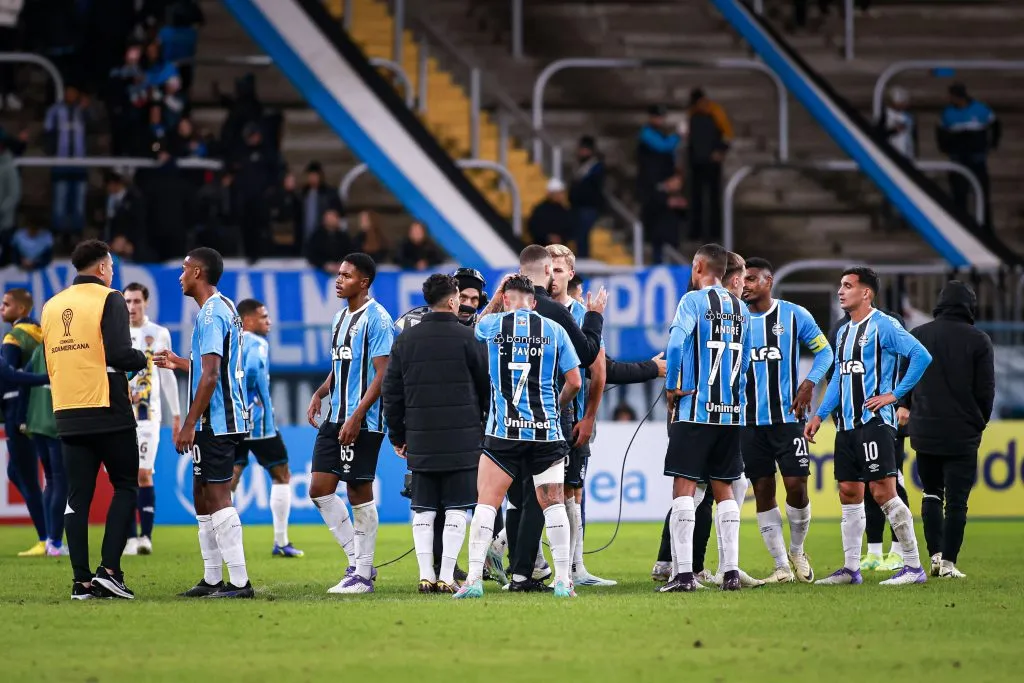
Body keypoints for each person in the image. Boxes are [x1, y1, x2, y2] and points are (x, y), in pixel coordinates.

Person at [478, 245, 605, 592]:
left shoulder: (495, 323)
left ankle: (503, 567)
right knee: (546, 499)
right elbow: (588, 359)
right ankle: (549, 573)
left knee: (511, 499)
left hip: (503, 425)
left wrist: (495, 299)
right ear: (548, 269)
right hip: (545, 423)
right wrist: (595, 316)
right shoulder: (554, 315)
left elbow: (476, 333)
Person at [453, 274, 583, 599]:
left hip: (503, 432)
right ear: (535, 303)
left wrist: (497, 296)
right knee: (552, 504)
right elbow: (576, 381)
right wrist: (555, 407)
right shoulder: (554, 330)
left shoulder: (494, 324)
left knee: (487, 503)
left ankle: (473, 580)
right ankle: (565, 580)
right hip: (546, 432)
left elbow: (476, 326)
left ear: (507, 299)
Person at [806, 267, 932, 586]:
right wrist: (821, 414)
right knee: (849, 492)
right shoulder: (845, 331)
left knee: (882, 491)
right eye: (840, 285)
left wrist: (895, 394)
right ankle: (851, 569)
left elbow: (920, 355)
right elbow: (838, 376)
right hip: (846, 426)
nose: (840, 291)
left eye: (847, 285)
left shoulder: (884, 325)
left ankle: (914, 567)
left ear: (866, 293)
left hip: (874, 423)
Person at [40, 240, 148, 599]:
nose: (113, 273)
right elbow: (118, 352)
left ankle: (81, 581)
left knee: (77, 497)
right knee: (125, 486)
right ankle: (110, 571)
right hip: (106, 406)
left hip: (67, 411)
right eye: (112, 267)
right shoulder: (110, 298)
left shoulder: (51, 306)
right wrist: (142, 358)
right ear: (102, 268)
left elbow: (51, 360)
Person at [154, 248, 254, 598]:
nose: (180, 276)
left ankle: (241, 584)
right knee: (200, 496)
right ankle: (213, 578)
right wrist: (180, 362)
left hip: (217, 420)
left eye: (184, 270)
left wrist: (189, 423)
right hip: (219, 416)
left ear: (198, 272)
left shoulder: (211, 314)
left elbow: (211, 376)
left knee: (217, 494)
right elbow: (211, 369)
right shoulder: (223, 307)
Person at [383, 274, 488, 593]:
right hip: (462, 437)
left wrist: (398, 434)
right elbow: (484, 387)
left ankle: (425, 574)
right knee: (457, 506)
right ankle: (446, 576)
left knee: (423, 507)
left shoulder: (405, 339)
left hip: (420, 437)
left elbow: (392, 390)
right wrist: (481, 425)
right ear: (453, 299)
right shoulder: (468, 338)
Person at [661, 243, 751, 593]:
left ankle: (684, 576)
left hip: (695, 411)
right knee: (724, 487)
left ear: (698, 266)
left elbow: (676, 343)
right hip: (729, 413)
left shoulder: (692, 302)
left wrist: (672, 386)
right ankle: (730, 573)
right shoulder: (740, 308)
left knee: (684, 487)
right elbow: (743, 363)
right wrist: (735, 397)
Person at [306, 253, 394, 594]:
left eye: (346, 275)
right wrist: (323, 388)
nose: (338, 280)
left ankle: (361, 574)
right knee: (318, 490)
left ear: (364, 282)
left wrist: (357, 415)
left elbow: (383, 374)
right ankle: (359, 563)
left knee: (358, 491)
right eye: (338, 274)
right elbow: (343, 363)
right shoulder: (340, 317)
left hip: (364, 420)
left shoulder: (378, 319)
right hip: (335, 416)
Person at [740, 257, 832, 583]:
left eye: (751, 279)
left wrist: (809, 382)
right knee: (763, 489)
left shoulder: (794, 315)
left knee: (796, 485)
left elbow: (825, 352)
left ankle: (796, 549)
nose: (745, 285)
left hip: (786, 418)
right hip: (746, 422)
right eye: (742, 279)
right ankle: (780, 564)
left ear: (769, 281)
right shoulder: (733, 320)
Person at [905, 281, 994, 579]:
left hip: (924, 428)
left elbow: (904, 379)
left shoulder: (919, 334)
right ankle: (949, 564)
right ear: (969, 306)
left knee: (931, 493)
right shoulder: (979, 340)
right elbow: (986, 391)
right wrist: (978, 422)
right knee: (957, 501)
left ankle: (935, 556)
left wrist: (910, 410)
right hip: (962, 432)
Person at [547, 243, 614, 587]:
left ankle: (576, 568)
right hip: (531, 417)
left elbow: (599, 372)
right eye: (549, 269)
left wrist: (588, 418)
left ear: (570, 274)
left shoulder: (580, 314)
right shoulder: (533, 309)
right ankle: (521, 559)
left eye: (559, 270)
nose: (553, 276)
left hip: (570, 417)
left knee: (573, 489)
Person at [231, 298, 304, 558]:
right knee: (282, 475)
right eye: (263, 317)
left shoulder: (232, 343)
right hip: (260, 423)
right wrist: (250, 399)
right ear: (248, 320)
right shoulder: (258, 343)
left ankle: (221, 541)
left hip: (234, 421)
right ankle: (281, 542)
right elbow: (251, 371)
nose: (269, 321)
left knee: (230, 478)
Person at [119, 283, 180, 557]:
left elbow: (167, 377)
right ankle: (130, 537)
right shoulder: (114, 332)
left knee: (144, 473)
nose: (131, 307)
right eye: (127, 302)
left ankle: (145, 537)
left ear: (146, 302)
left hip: (148, 416)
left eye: (136, 302)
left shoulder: (158, 334)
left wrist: (177, 415)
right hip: (118, 416)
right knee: (125, 476)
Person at [1, 288, 47, 556]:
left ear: (21, 309)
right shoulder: (41, 335)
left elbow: (9, 376)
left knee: (27, 478)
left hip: (17, 412)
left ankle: (47, 538)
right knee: (16, 473)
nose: (1, 308)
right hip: (38, 409)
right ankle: (50, 532)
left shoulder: (13, 337)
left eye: (6, 304)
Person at [937, 83, 999, 231]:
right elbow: (940, 132)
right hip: (957, 160)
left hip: (976, 159)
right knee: (959, 196)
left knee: (982, 196)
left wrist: (992, 144)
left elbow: (996, 125)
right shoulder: (947, 113)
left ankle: (985, 229)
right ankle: (962, 228)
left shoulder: (980, 109)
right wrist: (945, 148)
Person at [686, 88, 733, 242]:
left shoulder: (716, 112)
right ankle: (695, 232)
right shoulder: (692, 114)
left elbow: (728, 135)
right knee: (696, 198)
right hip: (696, 162)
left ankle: (715, 232)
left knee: (713, 199)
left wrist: (720, 151)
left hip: (712, 163)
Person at [569, 136, 605, 259]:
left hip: (588, 207)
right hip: (577, 207)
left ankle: (584, 260)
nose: (582, 152)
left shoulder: (595, 167)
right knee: (578, 236)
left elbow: (593, 188)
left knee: (583, 235)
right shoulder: (578, 166)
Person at [300, 161, 343, 245]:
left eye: (315, 175)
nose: (312, 178)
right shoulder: (303, 193)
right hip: (305, 236)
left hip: (323, 237)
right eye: (310, 175)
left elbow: (339, 212)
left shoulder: (330, 193)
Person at [305, 209, 353, 274]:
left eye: (335, 217)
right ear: (324, 220)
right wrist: (325, 265)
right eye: (330, 218)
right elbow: (311, 255)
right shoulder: (316, 236)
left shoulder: (343, 236)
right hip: (320, 271)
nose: (333, 220)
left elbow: (350, 252)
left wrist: (342, 263)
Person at [527, 178, 573, 247]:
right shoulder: (539, 210)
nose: (561, 196)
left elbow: (570, 229)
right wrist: (547, 237)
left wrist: (561, 238)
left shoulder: (565, 211)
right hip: (542, 248)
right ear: (551, 194)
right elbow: (533, 228)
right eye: (558, 193)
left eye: (562, 193)